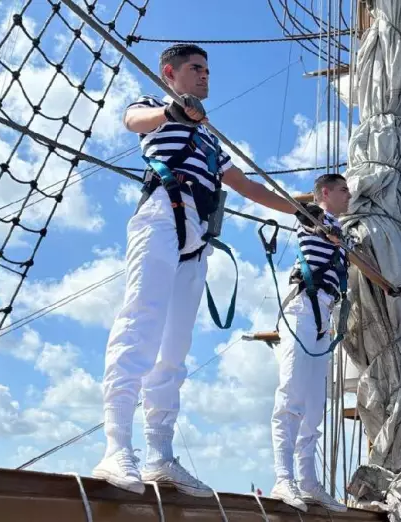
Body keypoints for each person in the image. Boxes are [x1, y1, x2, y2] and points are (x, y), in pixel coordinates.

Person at [94, 43, 297, 495]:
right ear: (171, 73)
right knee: (139, 324)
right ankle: (116, 448)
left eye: (207, 70)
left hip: (197, 238)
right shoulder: (154, 107)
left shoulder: (210, 139)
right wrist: (172, 111)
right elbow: (134, 122)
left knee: (175, 349)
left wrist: (298, 211)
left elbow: (244, 186)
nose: (205, 76)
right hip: (162, 215)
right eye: (195, 68)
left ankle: (160, 455)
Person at [270, 174, 351, 513]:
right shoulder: (310, 216)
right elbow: (296, 207)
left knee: (316, 404)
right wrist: (315, 212)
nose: (350, 195)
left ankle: (307, 481)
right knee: (291, 394)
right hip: (303, 308)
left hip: (325, 317)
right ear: (326, 193)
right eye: (344, 190)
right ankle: (282, 478)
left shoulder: (342, 235)